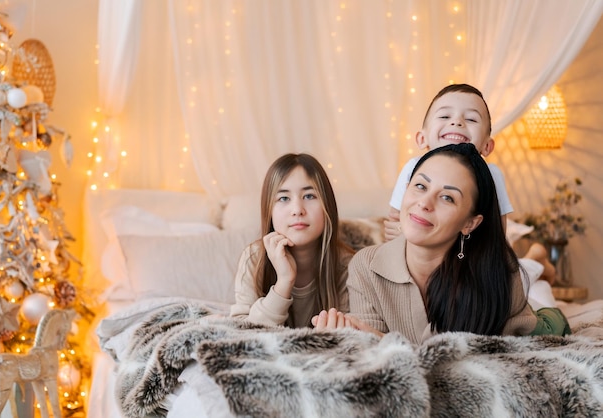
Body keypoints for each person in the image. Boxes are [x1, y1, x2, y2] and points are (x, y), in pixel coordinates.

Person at [312, 143, 570, 344]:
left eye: (447, 197)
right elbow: (372, 350)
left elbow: (482, 361)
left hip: (539, 320)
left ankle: (538, 260)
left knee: (546, 308)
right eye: (420, 186)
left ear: (470, 223)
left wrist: (381, 341)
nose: (424, 203)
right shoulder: (365, 266)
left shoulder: (499, 273)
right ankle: (537, 259)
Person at [384, 83, 556, 284]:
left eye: (471, 119)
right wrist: (402, 233)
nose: (457, 122)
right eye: (445, 116)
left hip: (480, 265)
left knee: (527, 290)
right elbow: (393, 224)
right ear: (422, 138)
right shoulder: (413, 169)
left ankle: (536, 259)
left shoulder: (490, 175)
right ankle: (533, 259)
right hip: (429, 265)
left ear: (487, 145)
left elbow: (496, 235)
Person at [230, 153, 354, 328]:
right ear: (269, 211)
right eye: (284, 198)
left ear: (328, 205)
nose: (297, 210)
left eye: (309, 196)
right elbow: (242, 334)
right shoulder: (254, 258)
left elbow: (353, 337)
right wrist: (284, 282)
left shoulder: (348, 266)